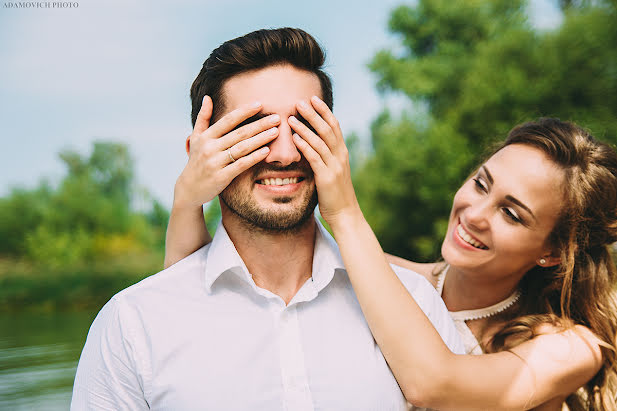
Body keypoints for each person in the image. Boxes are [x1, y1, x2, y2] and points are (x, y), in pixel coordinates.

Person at [71, 28, 464, 410]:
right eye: (255, 131)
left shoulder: (417, 307)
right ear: (200, 153)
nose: (285, 154)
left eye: (304, 126)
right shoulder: (132, 325)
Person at [166, 115, 617, 410]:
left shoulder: (571, 348)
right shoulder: (390, 280)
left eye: (511, 213)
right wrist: (188, 200)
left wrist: (343, 212)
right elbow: (199, 295)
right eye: (481, 184)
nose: (475, 215)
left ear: (553, 251)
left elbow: (435, 385)